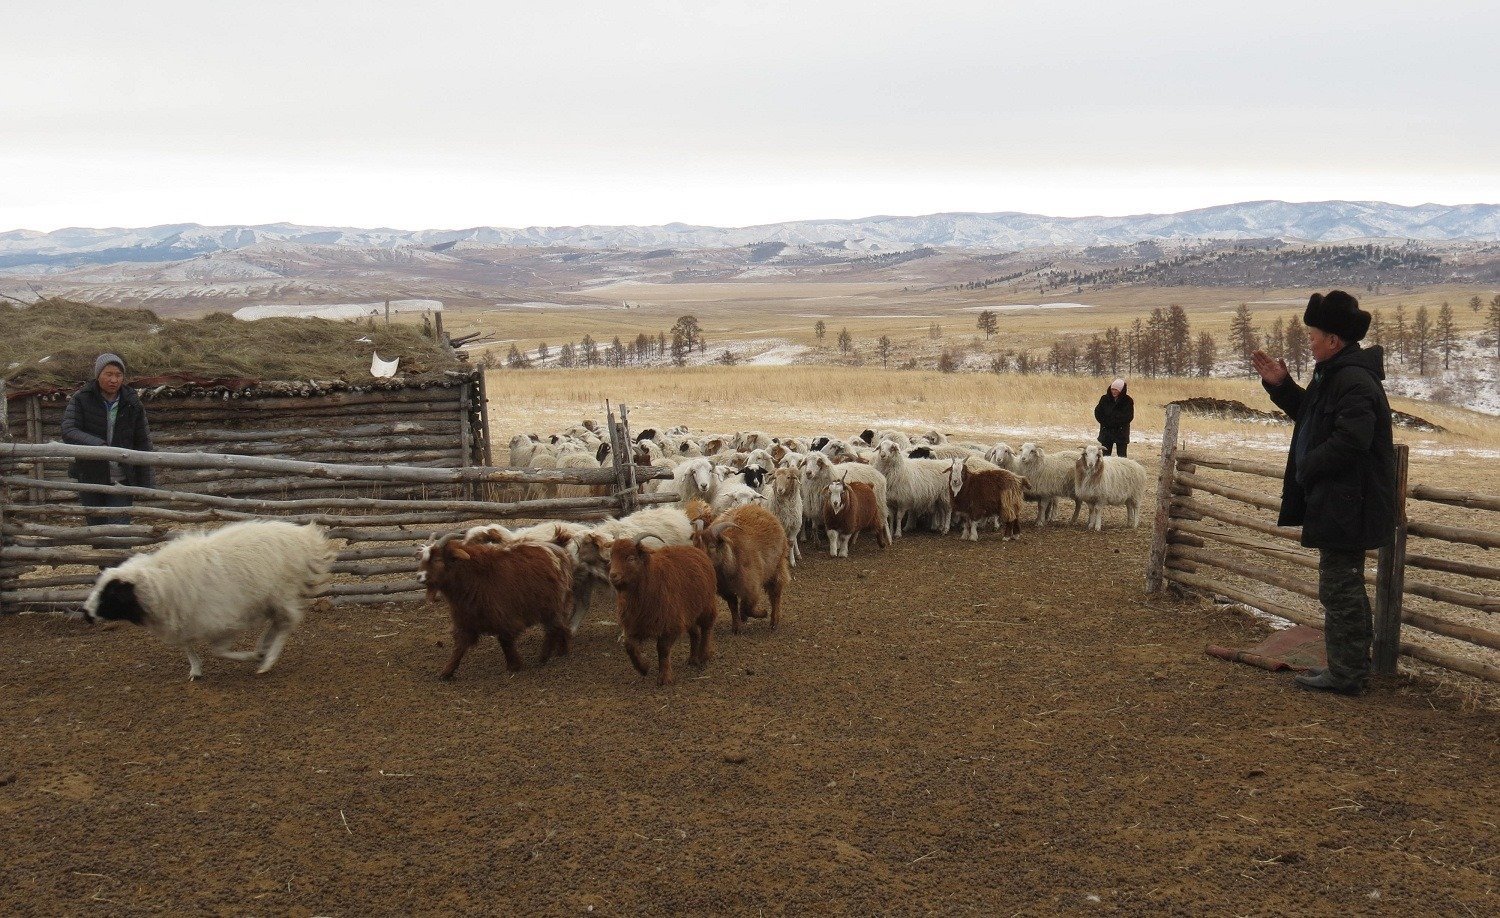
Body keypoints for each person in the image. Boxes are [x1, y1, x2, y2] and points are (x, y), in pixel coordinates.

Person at [1251, 291, 1396, 696]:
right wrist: (1282, 387)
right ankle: (1347, 668)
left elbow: (1352, 440)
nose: (1309, 341)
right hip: (1340, 500)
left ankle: (1348, 675)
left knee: (1340, 587)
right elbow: (1313, 416)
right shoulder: (1332, 374)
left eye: (1314, 335)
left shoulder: (1353, 380)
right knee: (1339, 584)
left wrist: (1306, 466)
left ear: (1334, 339)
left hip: (1350, 502)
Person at [60, 353, 155, 526]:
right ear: (98, 375)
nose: (114, 380)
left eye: (118, 375)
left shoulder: (132, 402)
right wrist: (98, 445)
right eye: (109, 374)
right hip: (91, 476)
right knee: (97, 528)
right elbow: (69, 430)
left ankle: (120, 553)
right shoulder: (82, 399)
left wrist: (147, 482)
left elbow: (143, 441)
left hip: (122, 477)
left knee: (120, 528)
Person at [1093, 377, 1133, 457]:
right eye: (1112, 389)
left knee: (1122, 456)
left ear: (1121, 390)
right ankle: (1105, 470)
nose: (1114, 392)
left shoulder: (1128, 400)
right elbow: (1098, 412)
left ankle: (1123, 470)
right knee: (1105, 457)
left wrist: (1116, 422)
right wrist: (1105, 422)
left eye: (1116, 390)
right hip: (1107, 431)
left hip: (1121, 432)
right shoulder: (1104, 399)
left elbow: (1129, 416)